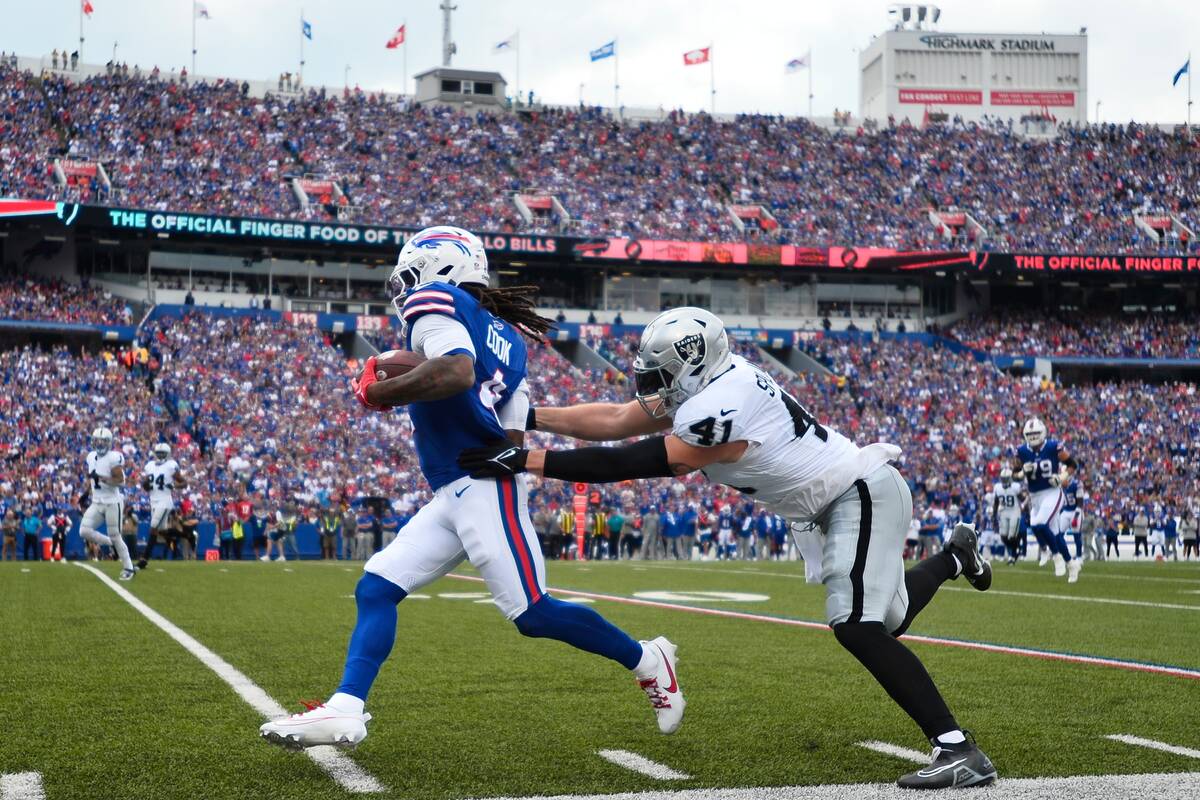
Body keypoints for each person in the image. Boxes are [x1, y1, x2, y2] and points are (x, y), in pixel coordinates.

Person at [460, 306, 996, 789]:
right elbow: (617, 421)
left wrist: (528, 460)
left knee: (858, 627)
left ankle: (957, 749)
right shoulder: (711, 385)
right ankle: (954, 555)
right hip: (833, 503)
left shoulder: (719, 403)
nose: (653, 383)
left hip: (857, 492)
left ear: (693, 364)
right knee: (888, 622)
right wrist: (528, 418)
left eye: (664, 372)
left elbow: (638, 463)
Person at [260, 225, 683, 751]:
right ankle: (346, 708)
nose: (405, 287)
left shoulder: (434, 299)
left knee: (533, 614)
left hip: (482, 487)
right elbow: (509, 429)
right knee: (377, 586)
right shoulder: (504, 336)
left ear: (438, 267)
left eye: (411, 273)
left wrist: (381, 392)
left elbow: (457, 372)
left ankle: (648, 658)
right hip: (460, 486)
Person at [1013, 418, 1080, 582]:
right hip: (1035, 496)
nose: (1034, 436)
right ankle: (1072, 564)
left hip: (1052, 492)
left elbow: (1072, 464)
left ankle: (1056, 557)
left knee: (1039, 524)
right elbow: (1015, 475)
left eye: (1036, 433)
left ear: (1042, 432)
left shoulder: (1052, 447)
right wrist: (1022, 473)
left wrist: (1062, 476)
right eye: (1030, 434)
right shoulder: (1021, 450)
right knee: (1055, 536)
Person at [80, 427, 137, 580]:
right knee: (84, 531)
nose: (100, 444)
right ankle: (111, 543)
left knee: (116, 535)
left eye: (103, 441)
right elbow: (93, 479)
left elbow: (121, 481)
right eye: (97, 441)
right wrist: (86, 492)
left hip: (112, 502)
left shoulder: (114, 457)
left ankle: (129, 568)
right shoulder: (91, 456)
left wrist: (103, 478)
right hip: (97, 501)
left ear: (109, 442)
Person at [138, 443, 186, 569]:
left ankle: (144, 558)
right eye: (158, 453)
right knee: (162, 530)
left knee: (153, 527)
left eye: (162, 454)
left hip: (165, 501)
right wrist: (145, 484)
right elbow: (147, 484)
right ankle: (179, 543)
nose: (159, 456)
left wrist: (175, 486)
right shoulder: (150, 466)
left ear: (167, 454)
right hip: (153, 500)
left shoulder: (171, 466)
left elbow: (184, 483)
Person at [992, 468, 1022, 565]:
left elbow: (1023, 498)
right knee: (1003, 536)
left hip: (1014, 511)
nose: (1004, 480)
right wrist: (994, 514)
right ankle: (1016, 549)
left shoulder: (1015, 487)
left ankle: (1013, 555)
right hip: (1004, 511)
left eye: (1006, 478)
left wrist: (1025, 507)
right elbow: (996, 502)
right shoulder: (998, 487)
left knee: (1012, 536)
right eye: (1003, 478)